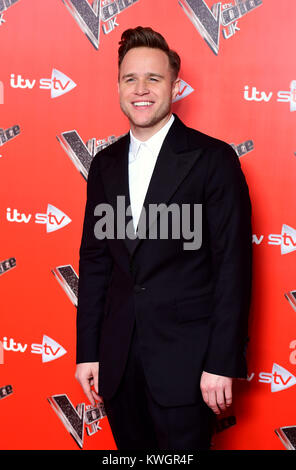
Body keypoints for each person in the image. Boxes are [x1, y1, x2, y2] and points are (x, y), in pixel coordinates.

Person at [75, 26, 252, 450]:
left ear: (174, 85)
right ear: (118, 85)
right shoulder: (104, 164)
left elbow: (234, 267)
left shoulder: (213, 160)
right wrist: (88, 351)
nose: (141, 89)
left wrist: (221, 361)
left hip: (188, 365)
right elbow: (96, 261)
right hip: (117, 365)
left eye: (153, 79)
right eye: (130, 78)